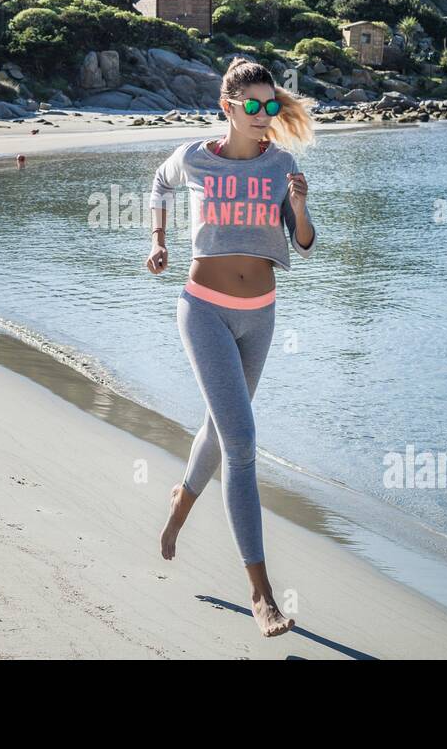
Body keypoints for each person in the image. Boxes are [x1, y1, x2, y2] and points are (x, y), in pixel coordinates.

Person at [146, 57, 317, 638]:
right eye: (255, 105)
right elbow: (158, 183)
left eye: (273, 106)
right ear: (228, 107)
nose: (266, 115)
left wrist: (298, 205)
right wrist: (159, 242)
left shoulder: (282, 165)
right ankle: (261, 594)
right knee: (241, 442)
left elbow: (307, 243)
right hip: (203, 310)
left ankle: (178, 507)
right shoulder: (194, 157)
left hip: (260, 317)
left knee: (220, 431)